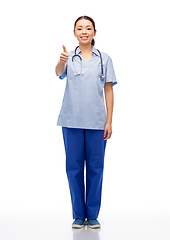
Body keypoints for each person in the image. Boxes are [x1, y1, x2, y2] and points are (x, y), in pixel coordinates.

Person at [55, 16, 117, 229]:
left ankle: (93, 214)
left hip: (97, 122)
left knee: (95, 168)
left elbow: (108, 89)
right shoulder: (69, 57)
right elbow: (58, 73)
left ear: (94, 32)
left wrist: (109, 120)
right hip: (71, 121)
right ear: (74, 33)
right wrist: (62, 61)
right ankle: (78, 215)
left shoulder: (104, 59)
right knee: (73, 168)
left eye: (88, 28)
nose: (84, 31)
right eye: (80, 28)